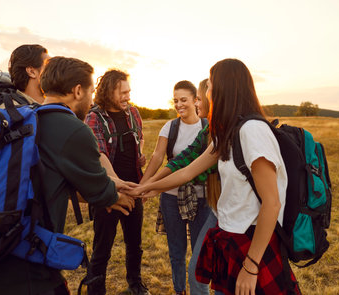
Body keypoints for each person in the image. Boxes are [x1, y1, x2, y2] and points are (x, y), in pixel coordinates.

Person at [129, 59, 301, 295]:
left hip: (254, 241)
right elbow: (188, 170)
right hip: (231, 237)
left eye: (209, 86)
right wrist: (145, 188)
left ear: (225, 89)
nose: (206, 93)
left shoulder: (253, 131)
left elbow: (272, 203)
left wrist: (251, 267)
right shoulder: (228, 133)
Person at [0, 56, 134, 295]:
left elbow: (66, 180)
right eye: (90, 92)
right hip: (25, 272)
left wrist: (112, 184)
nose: (91, 99)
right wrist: (123, 196)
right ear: (77, 91)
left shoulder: (24, 119)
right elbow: (97, 190)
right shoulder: (74, 128)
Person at [143, 79, 217, 295]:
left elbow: (189, 165)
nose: (179, 104)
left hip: (201, 198)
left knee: (198, 252)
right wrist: (145, 185)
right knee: (176, 251)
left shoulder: (207, 127)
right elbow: (159, 157)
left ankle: (198, 289)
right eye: (176, 100)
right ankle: (179, 290)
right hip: (171, 197)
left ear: (196, 100)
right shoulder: (171, 126)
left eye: (183, 100)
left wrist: (148, 187)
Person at [84, 69, 149, 295]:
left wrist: (139, 155)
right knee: (102, 247)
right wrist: (118, 186)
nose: (127, 97)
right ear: (109, 90)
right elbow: (99, 155)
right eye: (122, 92)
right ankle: (96, 289)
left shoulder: (133, 113)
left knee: (135, 244)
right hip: (108, 191)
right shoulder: (94, 117)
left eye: (129, 92)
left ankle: (135, 284)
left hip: (134, 189)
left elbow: (139, 138)